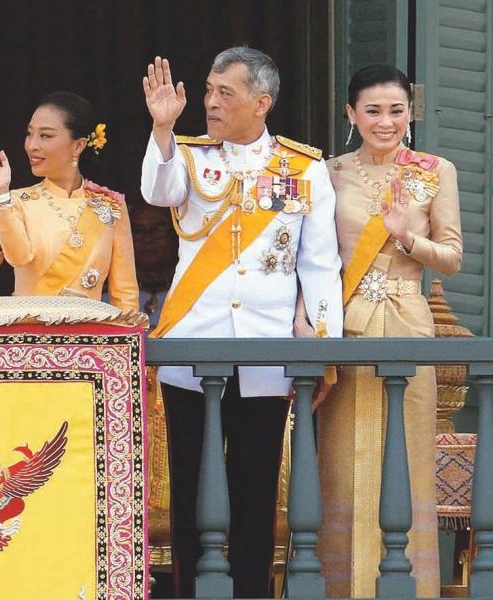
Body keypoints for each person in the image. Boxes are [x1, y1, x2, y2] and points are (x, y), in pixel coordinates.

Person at [140, 48, 343, 598]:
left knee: (254, 493)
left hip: (265, 356)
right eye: (207, 90)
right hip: (191, 349)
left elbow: (320, 264)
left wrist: (318, 345)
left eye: (223, 93)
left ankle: (252, 591)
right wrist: (162, 129)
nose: (209, 102)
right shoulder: (186, 156)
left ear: (262, 102)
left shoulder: (304, 170)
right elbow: (157, 192)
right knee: (189, 491)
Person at [315, 65, 462, 598]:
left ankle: (410, 590)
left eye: (396, 110)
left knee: (405, 460)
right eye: (372, 111)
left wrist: (407, 240)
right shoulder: (327, 172)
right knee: (341, 461)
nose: (385, 121)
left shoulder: (433, 170)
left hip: (407, 324)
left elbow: (451, 258)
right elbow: (313, 258)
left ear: (410, 114)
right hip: (347, 325)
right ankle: (339, 589)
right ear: (350, 115)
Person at [0, 91, 138, 311]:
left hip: (89, 341)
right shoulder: (17, 201)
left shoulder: (110, 206)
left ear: (78, 145)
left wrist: (131, 341)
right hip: (31, 337)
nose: (32, 145)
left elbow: (125, 295)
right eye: (29, 134)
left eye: (45, 136)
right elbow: (18, 257)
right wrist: (0, 194)